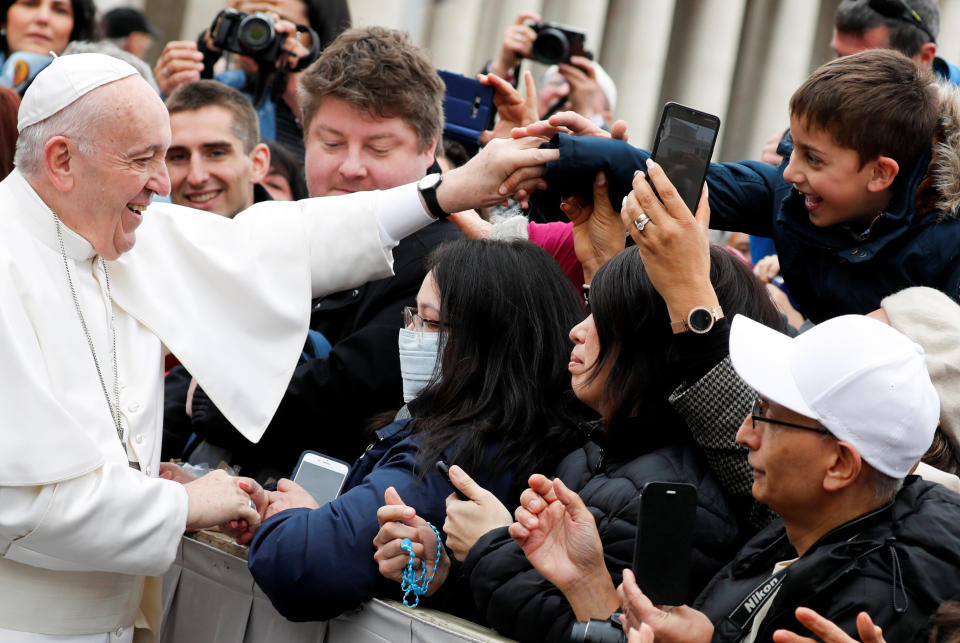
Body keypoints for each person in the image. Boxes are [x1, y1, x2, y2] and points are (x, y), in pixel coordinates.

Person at [0, 52, 556, 641]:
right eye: (144, 159)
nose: (164, 184)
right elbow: (20, 506)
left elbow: (277, 243)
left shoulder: (109, 227)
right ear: (62, 160)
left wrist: (447, 191)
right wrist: (183, 507)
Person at [165, 26, 467, 480]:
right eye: (331, 143)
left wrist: (212, 403)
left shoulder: (444, 262)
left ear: (429, 146)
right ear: (303, 135)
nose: (351, 167)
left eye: (379, 147)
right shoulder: (280, 231)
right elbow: (194, 364)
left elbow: (344, 390)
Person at [246, 238, 591, 621]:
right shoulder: (515, 429)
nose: (412, 333)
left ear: (487, 343)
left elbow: (303, 566)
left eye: (429, 321)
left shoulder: (453, 457)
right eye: (413, 316)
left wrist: (291, 519)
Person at [524, 49, 960, 323]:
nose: (789, 173)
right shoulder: (792, 194)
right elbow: (689, 184)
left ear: (881, 174)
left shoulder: (949, 249)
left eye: (813, 158)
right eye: (793, 150)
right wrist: (569, 156)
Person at [164, 80, 271, 217]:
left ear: (257, 164)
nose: (196, 177)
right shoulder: (139, 236)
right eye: (178, 157)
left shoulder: (295, 237)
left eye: (216, 154)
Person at [0, 0, 96, 94]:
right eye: (29, 4)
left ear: (76, 28)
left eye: (60, 10)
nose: (43, 18)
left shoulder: (93, 88)